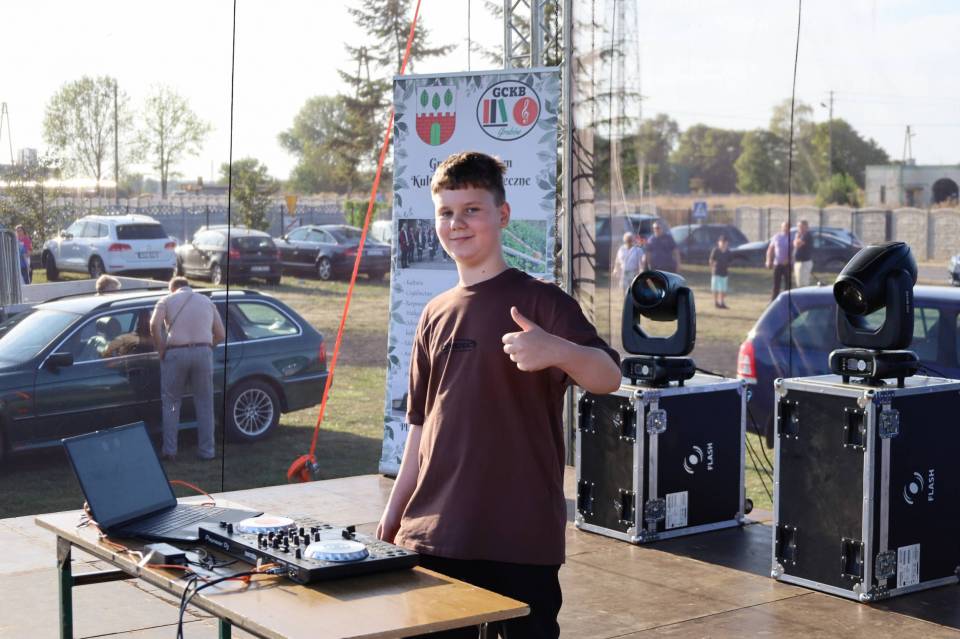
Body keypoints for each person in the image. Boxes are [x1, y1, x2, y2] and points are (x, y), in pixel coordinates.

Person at [376, 151, 621, 639]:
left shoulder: (541, 302)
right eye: (446, 212)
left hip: (519, 539)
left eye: (472, 210)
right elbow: (420, 430)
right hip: (435, 534)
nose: (457, 223)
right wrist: (394, 512)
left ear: (502, 215)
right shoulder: (433, 314)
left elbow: (608, 377)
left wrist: (557, 350)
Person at [150, 276, 226, 462]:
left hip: (176, 353)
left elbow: (153, 325)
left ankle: (170, 451)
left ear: (173, 288)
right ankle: (207, 451)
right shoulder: (207, 301)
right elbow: (221, 334)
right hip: (203, 353)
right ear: (188, 286)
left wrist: (161, 350)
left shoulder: (166, 300)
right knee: (205, 404)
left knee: (172, 403)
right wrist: (206, 347)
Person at [765, 221, 791, 300]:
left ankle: (786, 300)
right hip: (777, 263)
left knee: (787, 284)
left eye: (787, 227)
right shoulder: (777, 237)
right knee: (776, 284)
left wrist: (789, 259)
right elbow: (770, 249)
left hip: (787, 264)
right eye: (784, 227)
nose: (786, 228)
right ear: (782, 227)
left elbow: (795, 250)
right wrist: (768, 260)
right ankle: (773, 300)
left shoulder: (792, 237)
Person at [709, 235, 732, 309]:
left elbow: (729, 262)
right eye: (722, 242)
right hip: (716, 272)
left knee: (723, 289)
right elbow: (711, 260)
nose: (723, 244)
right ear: (718, 242)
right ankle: (716, 302)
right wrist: (712, 268)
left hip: (724, 273)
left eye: (725, 242)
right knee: (715, 289)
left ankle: (721, 302)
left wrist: (728, 269)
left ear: (727, 243)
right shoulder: (716, 250)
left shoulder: (728, 252)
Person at [793, 219, 813, 287]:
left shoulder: (807, 235)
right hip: (798, 262)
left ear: (806, 226)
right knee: (799, 282)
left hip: (804, 262)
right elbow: (795, 244)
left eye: (801, 226)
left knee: (804, 283)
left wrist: (796, 237)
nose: (799, 228)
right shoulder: (800, 236)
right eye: (798, 226)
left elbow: (797, 244)